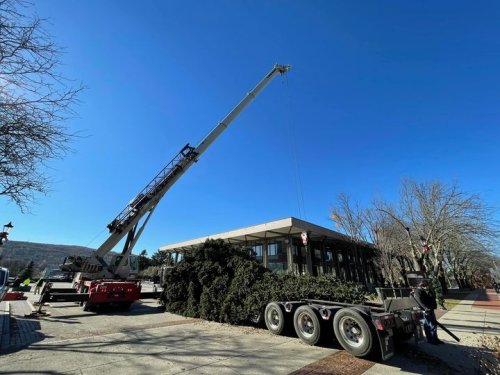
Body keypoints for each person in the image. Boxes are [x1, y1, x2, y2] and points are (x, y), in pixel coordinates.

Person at [412, 279, 444, 345]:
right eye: (426, 284)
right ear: (422, 284)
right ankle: (431, 340)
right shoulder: (418, 291)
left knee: (433, 325)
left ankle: (435, 339)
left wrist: (430, 292)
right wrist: (426, 309)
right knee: (429, 326)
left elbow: (431, 298)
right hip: (425, 311)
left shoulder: (425, 291)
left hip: (430, 309)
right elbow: (420, 302)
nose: (427, 286)